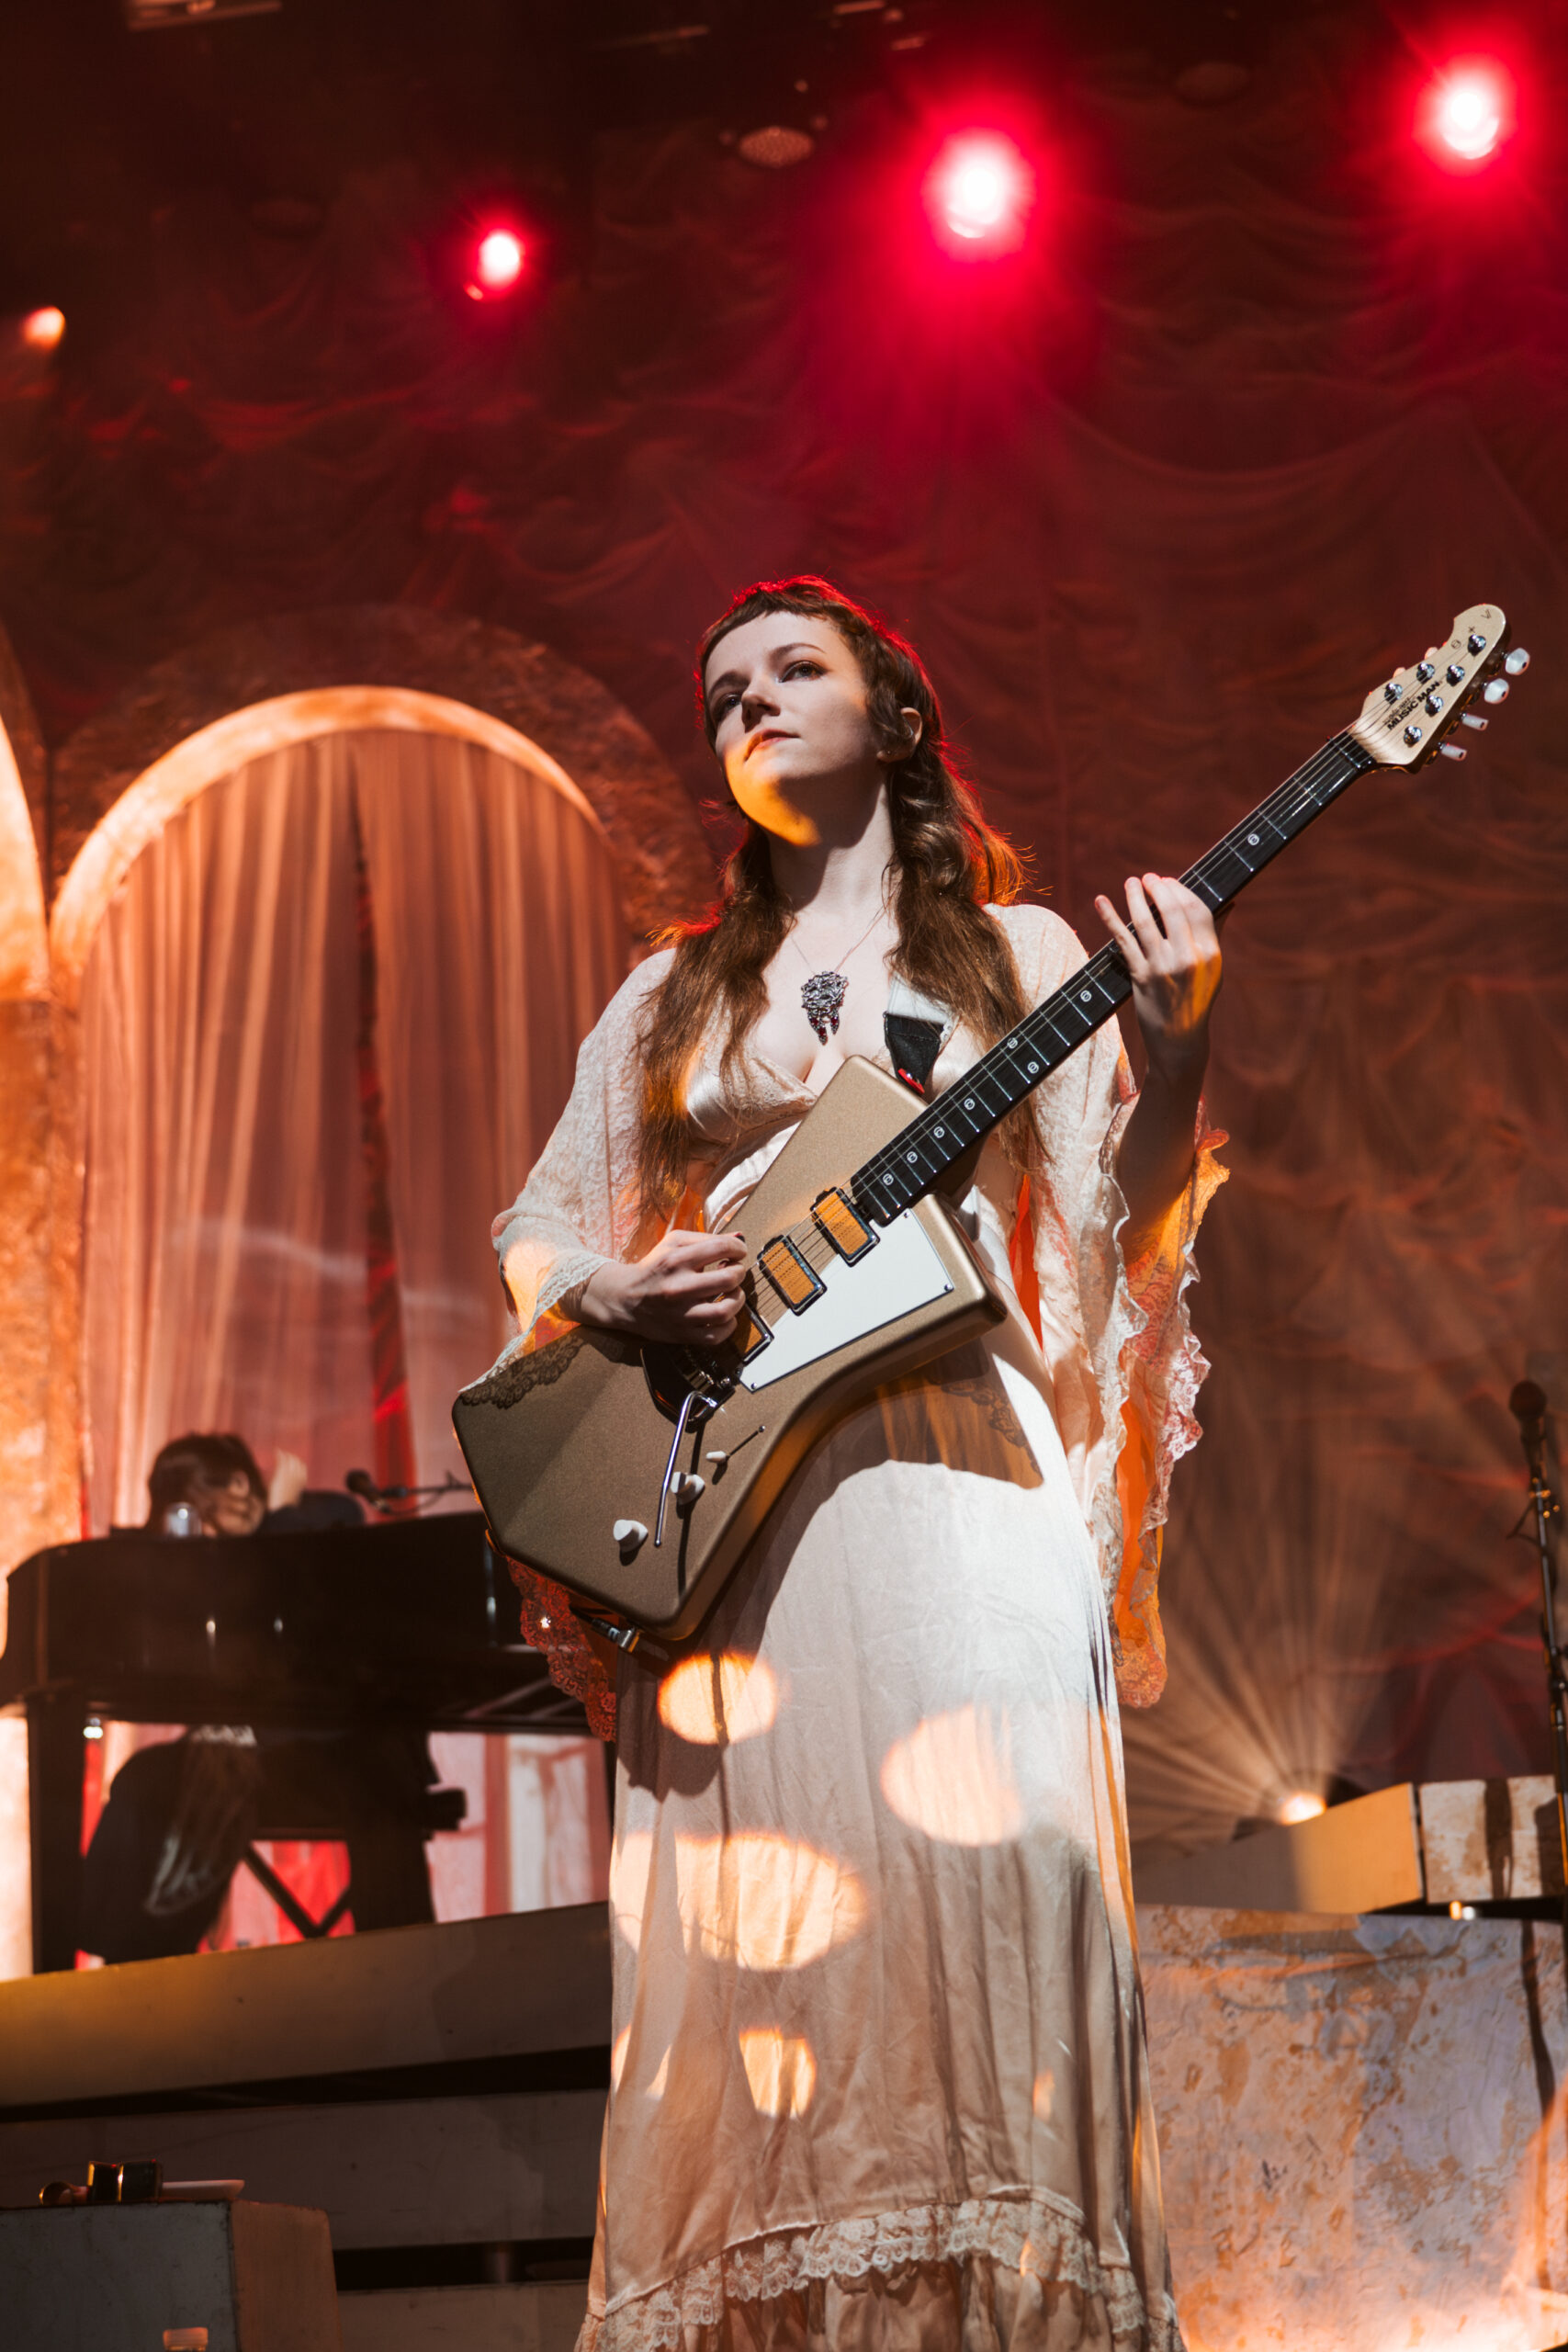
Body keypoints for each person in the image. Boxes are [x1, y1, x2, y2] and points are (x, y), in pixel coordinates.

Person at [485, 579, 1226, 2352]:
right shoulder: (669, 994)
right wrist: (609, 1284)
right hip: (742, 1518)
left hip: (960, 1490)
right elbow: (540, 1225)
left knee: (990, 1890)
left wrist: (1181, 1044)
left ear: (896, 716)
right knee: (771, 1953)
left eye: (792, 668)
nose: (747, 701)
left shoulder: (1020, 955)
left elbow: (1115, 1223)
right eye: (720, 691)